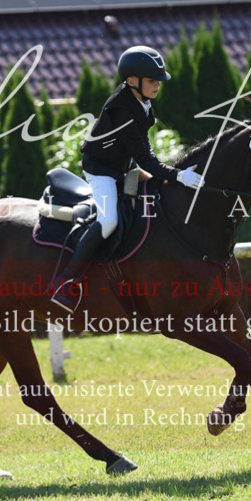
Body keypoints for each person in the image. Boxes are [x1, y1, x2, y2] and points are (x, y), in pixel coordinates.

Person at [51, 45, 205, 314]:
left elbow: (142, 150)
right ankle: (67, 281)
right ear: (132, 81)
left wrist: (166, 175)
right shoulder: (122, 110)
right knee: (109, 220)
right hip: (101, 170)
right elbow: (146, 158)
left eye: (158, 80)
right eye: (152, 80)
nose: (158, 85)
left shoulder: (141, 101)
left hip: (125, 165)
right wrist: (178, 175)